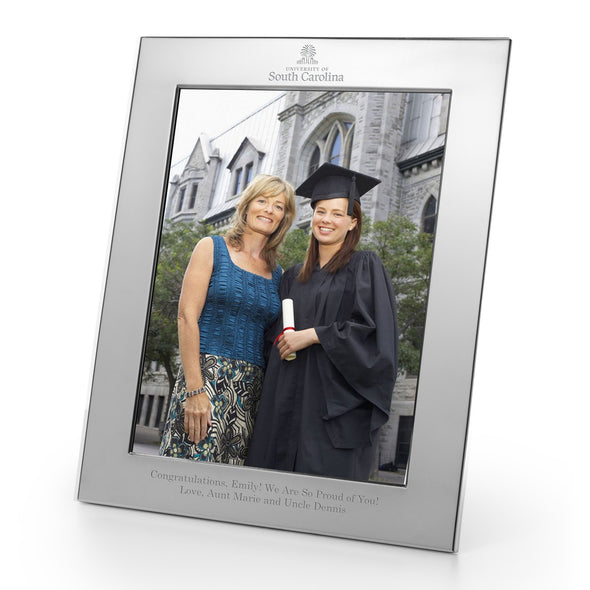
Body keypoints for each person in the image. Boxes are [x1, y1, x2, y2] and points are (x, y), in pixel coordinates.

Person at [246, 163, 398, 481]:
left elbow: (376, 339)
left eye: (338, 213)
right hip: (284, 406)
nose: (326, 220)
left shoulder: (365, 266)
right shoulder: (292, 276)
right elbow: (270, 343)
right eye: (321, 211)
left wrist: (314, 335)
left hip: (331, 415)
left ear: (353, 222)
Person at [159, 174, 296, 465]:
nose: (269, 210)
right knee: (186, 472)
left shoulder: (278, 274)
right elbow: (186, 317)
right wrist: (195, 390)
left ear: (284, 218)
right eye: (262, 201)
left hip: (250, 391)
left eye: (279, 206)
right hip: (204, 379)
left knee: (229, 480)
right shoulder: (211, 248)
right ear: (247, 206)